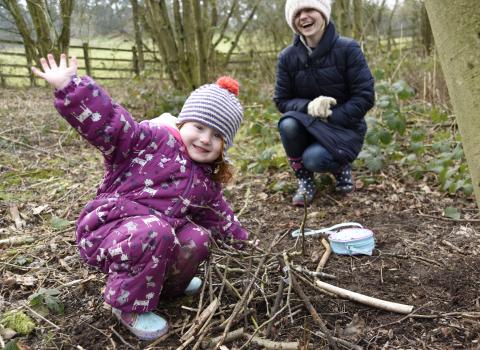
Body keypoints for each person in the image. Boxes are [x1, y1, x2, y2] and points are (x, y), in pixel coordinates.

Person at [32, 54, 248, 340]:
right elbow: (109, 123)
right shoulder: (149, 141)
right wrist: (72, 88)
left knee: (197, 237)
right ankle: (126, 305)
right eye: (199, 127)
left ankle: (166, 288)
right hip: (109, 227)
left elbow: (219, 217)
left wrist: (245, 243)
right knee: (155, 230)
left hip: (156, 236)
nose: (205, 139)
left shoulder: (207, 180)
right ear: (183, 123)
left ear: (225, 145)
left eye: (217, 135)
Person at [274, 0, 375, 206]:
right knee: (287, 124)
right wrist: (309, 106)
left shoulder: (348, 49)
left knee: (314, 159)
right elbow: (281, 100)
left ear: (323, 13)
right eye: (297, 13)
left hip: (344, 127)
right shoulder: (287, 57)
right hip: (308, 126)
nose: (303, 16)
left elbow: (365, 96)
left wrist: (332, 115)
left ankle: (340, 167)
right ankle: (305, 180)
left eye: (310, 9)